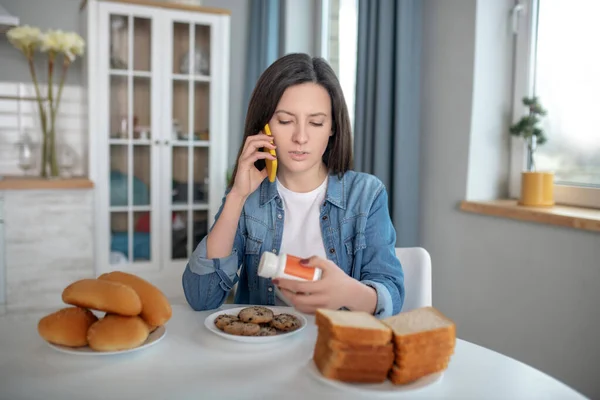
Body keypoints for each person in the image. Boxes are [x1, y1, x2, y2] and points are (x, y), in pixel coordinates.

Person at [182, 53, 404, 318]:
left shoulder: (366, 195)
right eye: (285, 121)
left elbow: (391, 295)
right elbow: (201, 297)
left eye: (316, 122)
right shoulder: (248, 197)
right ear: (264, 126)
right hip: (264, 349)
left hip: (335, 346)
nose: (300, 137)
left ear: (332, 126)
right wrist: (237, 196)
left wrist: (348, 292)